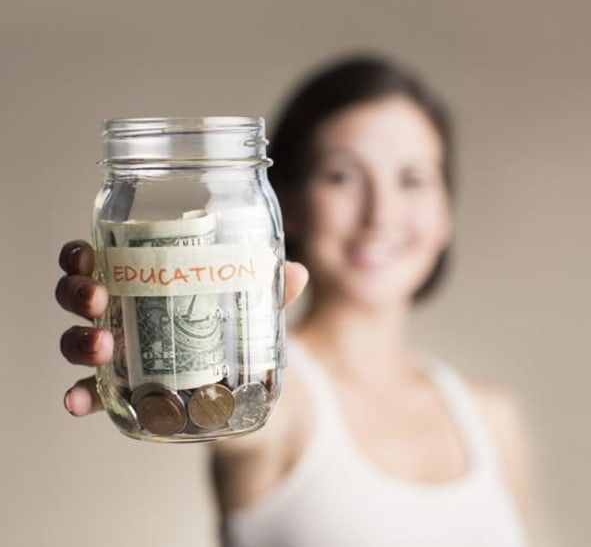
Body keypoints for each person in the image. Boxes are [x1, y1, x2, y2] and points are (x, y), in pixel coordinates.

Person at [55, 55, 529, 547]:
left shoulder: (490, 415)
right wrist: (147, 366)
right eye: (343, 176)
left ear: (447, 207)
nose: (381, 214)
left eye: (412, 179)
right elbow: (242, 424)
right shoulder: (276, 397)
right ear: (289, 204)